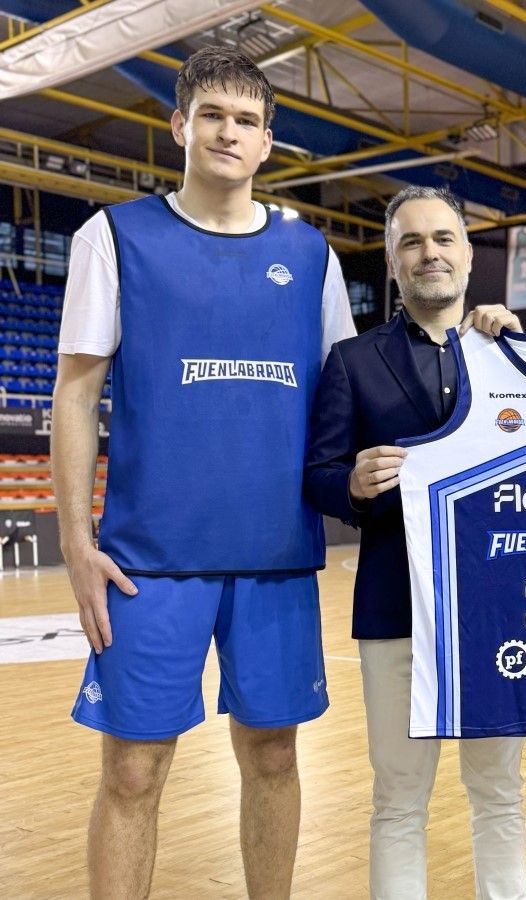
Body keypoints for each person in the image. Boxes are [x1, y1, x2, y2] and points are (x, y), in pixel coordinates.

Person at [51, 47, 356, 898]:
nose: (229, 132)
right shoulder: (113, 237)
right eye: (212, 115)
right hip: (148, 561)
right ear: (180, 126)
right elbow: (75, 396)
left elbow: (347, 396)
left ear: (268, 143)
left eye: (247, 120)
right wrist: (76, 541)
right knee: (134, 774)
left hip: (277, 556)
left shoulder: (315, 258)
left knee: (274, 754)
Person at [304, 186, 526, 899]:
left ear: (467, 254)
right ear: (393, 264)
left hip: (497, 610)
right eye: (411, 241)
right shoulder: (352, 361)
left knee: (498, 790)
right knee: (398, 800)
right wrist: (354, 485)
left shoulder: (513, 352)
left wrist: (518, 353)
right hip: (396, 609)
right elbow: (318, 476)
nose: (429, 252)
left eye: (443, 238)